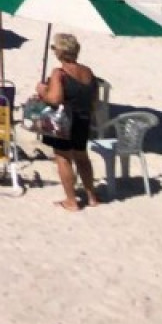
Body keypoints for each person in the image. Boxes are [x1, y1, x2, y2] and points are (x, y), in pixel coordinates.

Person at [39, 32, 103, 212]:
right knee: (82, 158)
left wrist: (42, 91)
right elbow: (94, 100)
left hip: (64, 121)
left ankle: (71, 200)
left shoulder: (59, 73)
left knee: (63, 158)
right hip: (83, 118)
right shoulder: (88, 72)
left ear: (60, 52)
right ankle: (92, 197)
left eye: (54, 48)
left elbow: (55, 98)